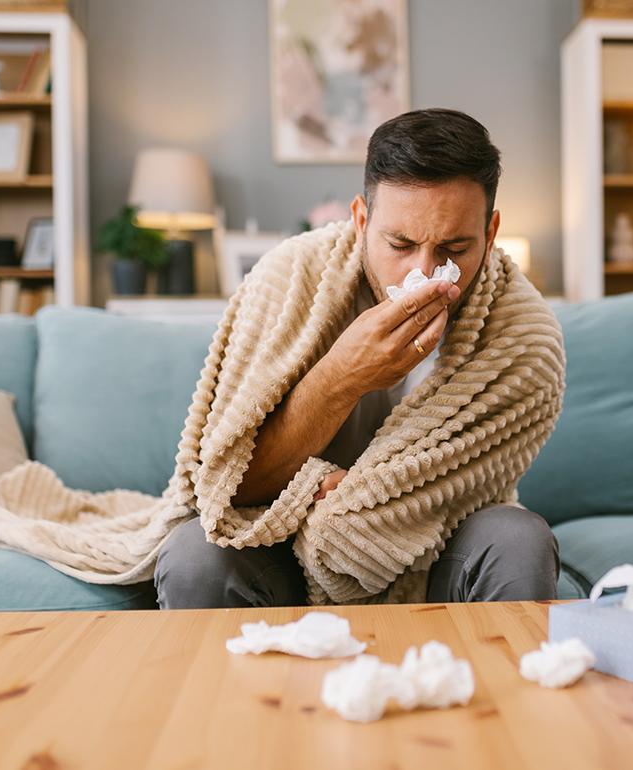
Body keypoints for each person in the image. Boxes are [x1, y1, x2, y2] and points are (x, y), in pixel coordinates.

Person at [154, 108, 561, 608]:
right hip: (277, 544)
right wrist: (341, 377)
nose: (426, 272)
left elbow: (460, 496)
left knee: (517, 537)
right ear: (361, 219)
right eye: (400, 243)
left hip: (436, 546)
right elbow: (225, 489)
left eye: (455, 247)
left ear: (491, 232)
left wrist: (351, 497)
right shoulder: (288, 281)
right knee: (196, 554)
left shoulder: (524, 335)